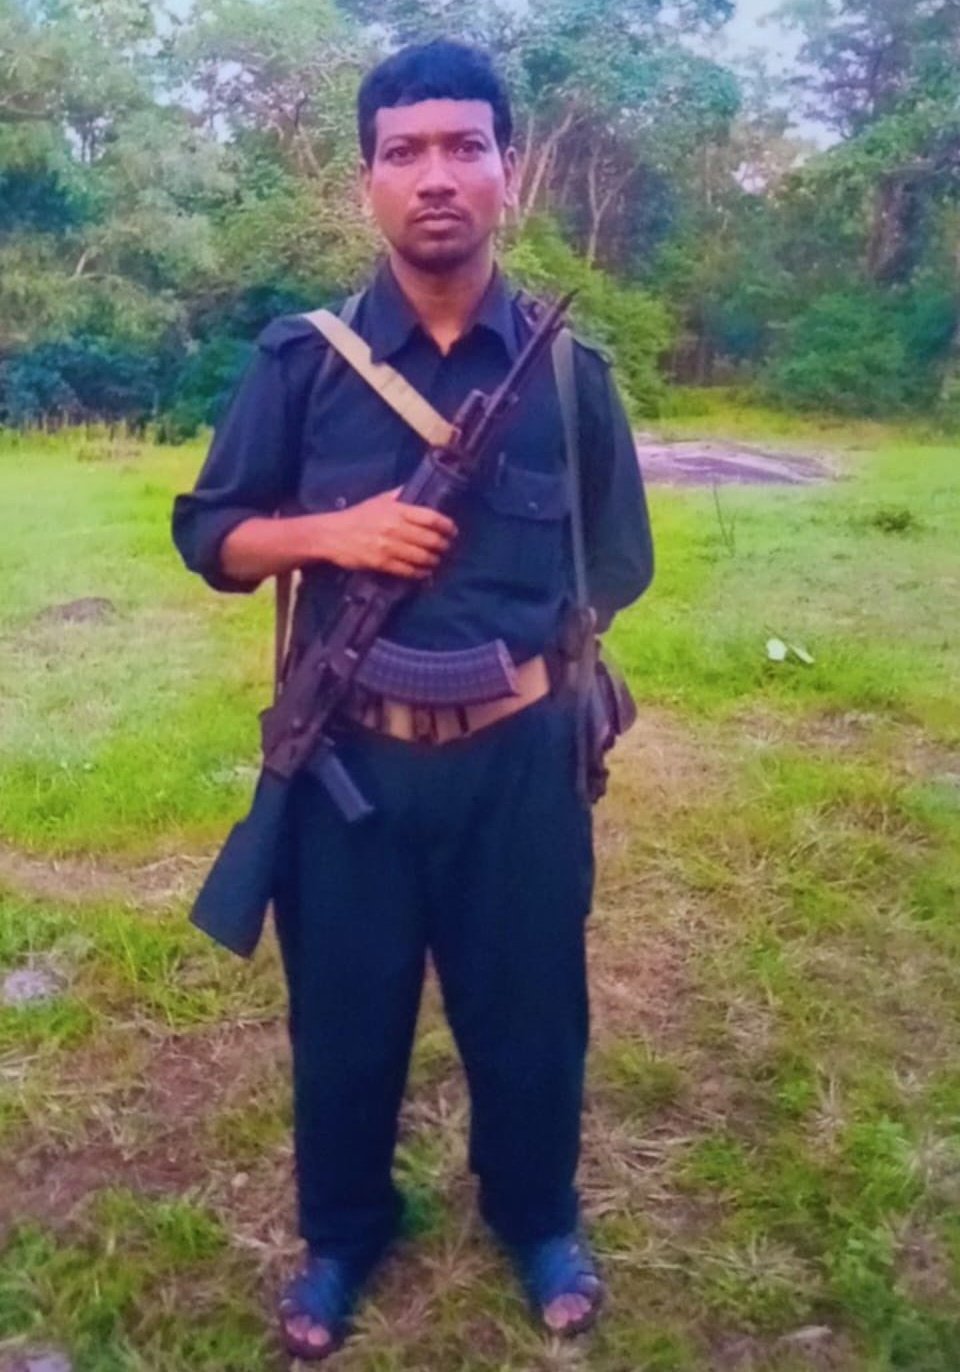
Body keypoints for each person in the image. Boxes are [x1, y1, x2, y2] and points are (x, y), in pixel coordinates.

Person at [172, 38, 653, 1362]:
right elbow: (210, 533)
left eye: (464, 147)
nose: (435, 175)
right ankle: (341, 1234)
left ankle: (538, 1215)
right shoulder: (301, 363)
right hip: (352, 768)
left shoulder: (570, 378)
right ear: (367, 180)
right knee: (345, 1013)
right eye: (405, 151)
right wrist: (338, 532)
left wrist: (530, 675)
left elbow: (617, 563)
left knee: (532, 1009)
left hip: (521, 765)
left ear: (510, 171)